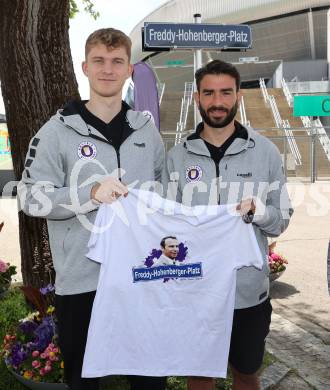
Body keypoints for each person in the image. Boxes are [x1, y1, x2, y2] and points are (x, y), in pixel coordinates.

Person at [18, 28, 166, 390]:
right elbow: (30, 197)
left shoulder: (147, 131)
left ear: (129, 70)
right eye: (99, 61)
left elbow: (165, 195)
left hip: (140, 280)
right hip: (82, 285)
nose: (108, 69)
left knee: (150, 382)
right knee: (84, 382)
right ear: (85, 67)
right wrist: (90, 193)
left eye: (117, 62)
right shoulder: (57, 131)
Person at [163, 59, 293, 390]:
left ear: (239, 96)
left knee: (247, 373)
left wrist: (260, 213)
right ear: (197, 98)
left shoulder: (266, 153)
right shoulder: (176, 157)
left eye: (225, 92)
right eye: (209, 93)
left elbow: (281, 220)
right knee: (199, 374)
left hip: (247, 292)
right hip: (195, 290)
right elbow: (164, 223)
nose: (217, 102)